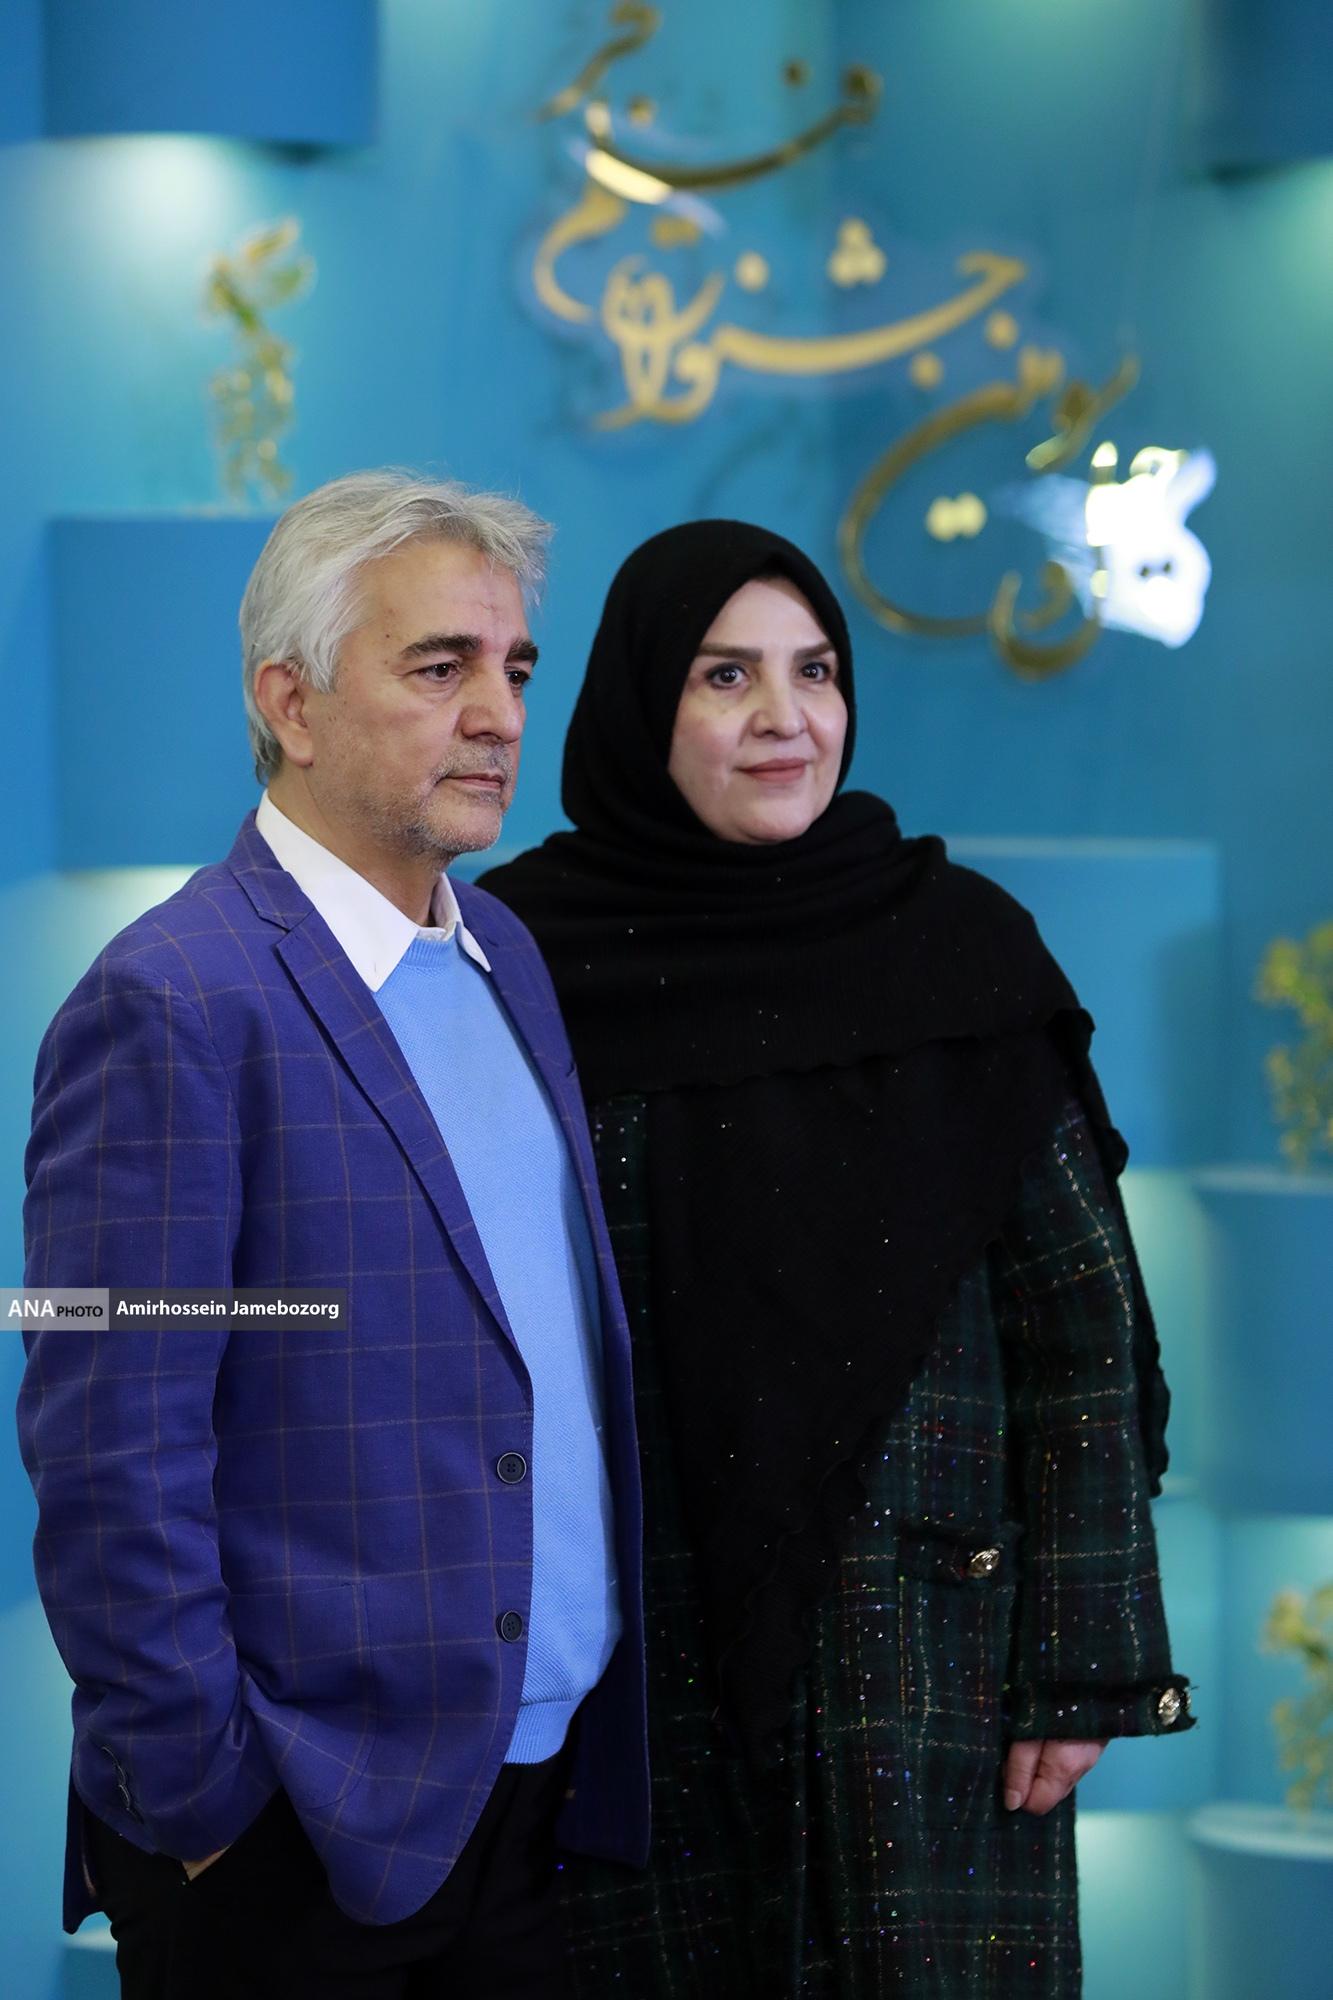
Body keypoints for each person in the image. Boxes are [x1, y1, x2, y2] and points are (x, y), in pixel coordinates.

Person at [479, 519, 1194, 1998]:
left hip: (929, 1663)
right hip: (635, 1658)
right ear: (638, 705)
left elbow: (1081, 1335)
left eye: (813, 672)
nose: (783, 718)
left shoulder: (960, 950)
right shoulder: (522, 960)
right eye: (724, 676)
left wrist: (1081, 1664)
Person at [18, 470, 648, 2000]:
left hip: (533, 1806)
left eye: (513, 668)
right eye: (438, 667)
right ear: (288, 703)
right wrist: (202, 1804)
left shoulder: (505, 954)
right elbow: (108, 1451)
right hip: (291, 1837)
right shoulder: (169, 997)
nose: (497, 714)